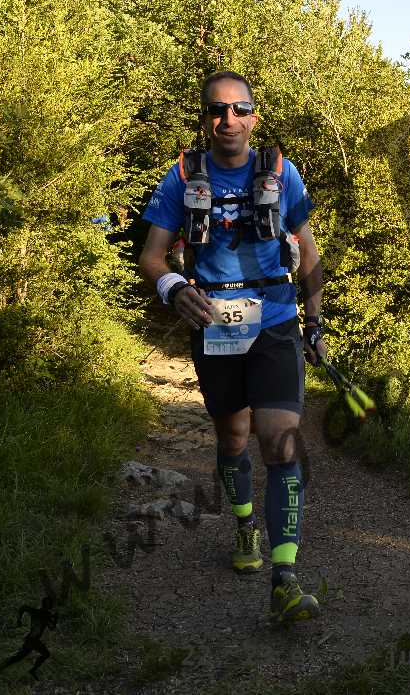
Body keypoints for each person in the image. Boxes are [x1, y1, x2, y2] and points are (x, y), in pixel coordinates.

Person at [138, 70, 327, 627]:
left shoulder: (280, 171)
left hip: (275, 320)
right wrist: (174, 289)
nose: (229, 120)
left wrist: (314, 322)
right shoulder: (182, 177)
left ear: (253, 117)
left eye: (239, 109)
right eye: (217, 110)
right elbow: (152, 256)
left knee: (280, 442)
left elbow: (308, 251)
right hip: (215, 324)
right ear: (205, 120)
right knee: (233, 437)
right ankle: (245, 525)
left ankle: (285, 580)